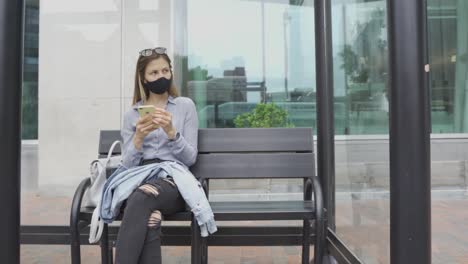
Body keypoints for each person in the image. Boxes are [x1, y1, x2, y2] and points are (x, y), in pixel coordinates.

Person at [115, 47, 199, 264]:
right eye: (154, 73)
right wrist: (138, 139)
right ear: (143, 78)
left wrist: (172, 132)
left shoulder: (185, 106)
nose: (161, 76)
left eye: (165, 71)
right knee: (151, 219)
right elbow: (126, 165)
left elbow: (190, 159)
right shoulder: (132, 115)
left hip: (174, 181)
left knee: (142, 197)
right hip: (141, 179)